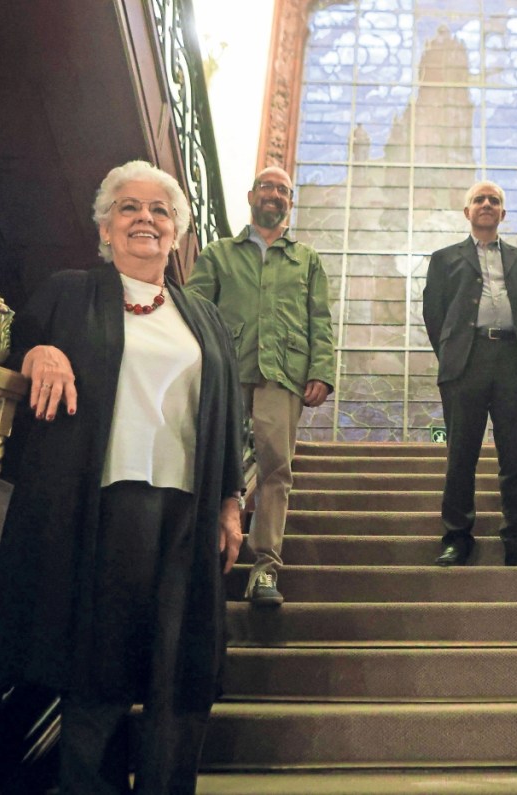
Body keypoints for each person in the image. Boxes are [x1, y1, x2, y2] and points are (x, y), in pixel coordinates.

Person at [0, 160, 246, 794]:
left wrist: (231, 502)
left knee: (178, 667)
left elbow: (227, 412)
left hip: (187, 509)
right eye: (128, 208)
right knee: (96, 665)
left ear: (176, 232)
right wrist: (37, 351)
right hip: (97, 507)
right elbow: (19, 345)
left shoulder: (202, 316)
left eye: (158, 210)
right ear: (105, 227)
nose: (144, 219)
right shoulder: (69, 291)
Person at [187, 166, 335, 607]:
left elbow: (320, 320)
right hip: (226, 372)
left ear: (290, 202)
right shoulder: (218, 255)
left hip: (283, 373)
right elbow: (195, 311)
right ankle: (201, 556)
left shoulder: (306, 259)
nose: (274, 194)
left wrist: (322, 370)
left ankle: (265, 570)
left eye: (283, 190)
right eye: (267, 187)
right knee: (213, 461)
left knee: (275, 468)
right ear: (251, 195)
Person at [423, 180, 517, 568]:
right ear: (468, 212)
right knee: (461, 455)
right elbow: (434, 315)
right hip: (466, 362)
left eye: (494, 200)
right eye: (480, 199)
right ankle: (457, 538)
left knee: (515, 458)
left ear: (503, 214)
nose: (487, 204)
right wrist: (453, 354)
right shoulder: (444, 259)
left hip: (513, 360)